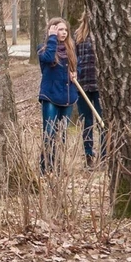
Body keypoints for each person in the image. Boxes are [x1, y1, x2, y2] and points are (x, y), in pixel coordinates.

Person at [38, 17, 78, 174]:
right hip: (50, 97)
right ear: (52, 31)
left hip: (68, 97)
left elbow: (77, 67)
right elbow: (47, 58)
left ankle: (57, 165)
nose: (64, 33)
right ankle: (45, 166)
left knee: (62, 134)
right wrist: (52, 38)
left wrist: (75, 73)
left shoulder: (70, 50)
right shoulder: (43, 49)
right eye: (59, 30)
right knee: (49, 132)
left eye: (65, 30)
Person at [74, 15, 103, 168]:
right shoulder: (78, 36)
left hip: (100, 86)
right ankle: (88, 155)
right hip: (82, 86)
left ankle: (105, 156)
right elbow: (73, 58)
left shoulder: (103, 33)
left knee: (102, 122)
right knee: (87, 122)